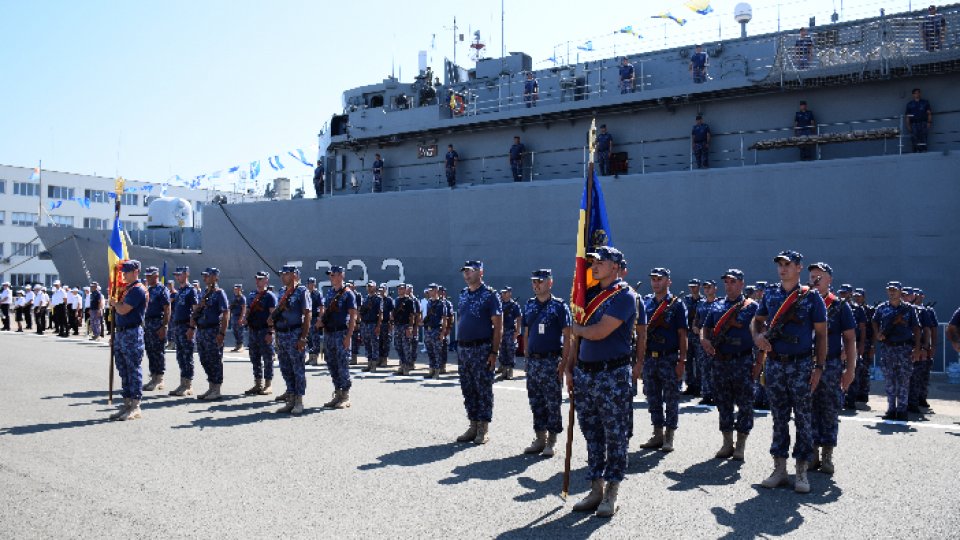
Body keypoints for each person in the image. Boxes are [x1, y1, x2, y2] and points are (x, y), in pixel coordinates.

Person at [563, 247, 638, 518]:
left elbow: (598, 332)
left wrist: (578, 329)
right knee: (592, 433)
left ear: (616, 267)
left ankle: (612, 492)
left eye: (601, 262)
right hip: (585, 373)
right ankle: (596, 488)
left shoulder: (625, 296)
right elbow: (577, 340)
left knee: (615, 436)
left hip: (612, 375)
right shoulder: (589, 295)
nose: (594, 265)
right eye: (593, 261)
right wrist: (570, 369)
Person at [752, 250, 826, 494]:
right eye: (779, 265)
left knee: (803, 418)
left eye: (787, 264)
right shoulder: (771, 294)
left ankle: (801, 471)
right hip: (775, 363)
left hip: (801, 364)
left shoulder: (811, 298)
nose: (782, 269)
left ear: (798, 267)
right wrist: (758, 336)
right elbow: (757, 320)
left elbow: (822, 335)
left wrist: (819, 367)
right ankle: (779, 469)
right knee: (778, 417)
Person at [702, 269, 760, 461]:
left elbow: (761, 333)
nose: (729, 285)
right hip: (721, 361)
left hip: (743, 361)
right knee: (723, 402)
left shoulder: (751, 307)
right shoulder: (717, 306)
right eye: (726, 282)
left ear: (742, 284)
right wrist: (704, 340)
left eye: (733, 282)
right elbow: (705, 327)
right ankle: (727, 443)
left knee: (745, 404)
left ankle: (741, 444)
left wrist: (759, 363)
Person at [807, 262, 856, 475]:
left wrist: (850, 370)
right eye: (812, 276)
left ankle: (827, 455)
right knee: (807, 409)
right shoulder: (802, 302)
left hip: (831, 365)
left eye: (820, 275)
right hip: (805, 363)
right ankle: (812, 453)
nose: (815, 279)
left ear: (830, 280)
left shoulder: (838, 306)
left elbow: (850, 339)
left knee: (828, 409)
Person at [521, 269, 572, 457]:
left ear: (550, 283)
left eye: (540, 282)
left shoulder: (559, 306)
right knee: (536, 401)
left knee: (552, 402)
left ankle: (551, 440)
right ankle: (539, 438)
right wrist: (526, 357)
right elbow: (526, 333)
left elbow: (568, 337)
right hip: (534, 362)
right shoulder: (529, 305)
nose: (536, 285)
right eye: (534, 282)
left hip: (551, 361)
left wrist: (564, 364)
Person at [638, 267, 688, 452]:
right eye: (653, 279)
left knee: (672, 398)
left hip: (669, 358)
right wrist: (640, 360)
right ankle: (657, 434)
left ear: (669, 281)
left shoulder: (676, 304)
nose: (656, 282)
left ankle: (669, 436)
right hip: (650, 358)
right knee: (652, 397)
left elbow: (683, 334)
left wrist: (682, 361)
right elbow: (641, 333)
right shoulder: (646, 302)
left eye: (660, 279)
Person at [454, 260, 503, 445]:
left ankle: (483, 428)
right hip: (464, 349)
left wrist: (494, 352)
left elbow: (498, 326)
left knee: (483, 389)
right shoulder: (463, 294)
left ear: (480, 272)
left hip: (481, 349)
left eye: (470, 271)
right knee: (468, 388)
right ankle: (472, 424)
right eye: (464, 271)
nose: (466, 274)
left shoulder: (490, 295)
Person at [872, 282, 922, 421]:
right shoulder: (882, 308)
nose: (891, 293)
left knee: (904, 380)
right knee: (889, 380)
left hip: (904, 348)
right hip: (888, 348)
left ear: (901, 292)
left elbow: (917, 328)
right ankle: (891, 409)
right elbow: (874, 321)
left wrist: (917, 348)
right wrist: (877, 333)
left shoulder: (909, 309)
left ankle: (902, 410)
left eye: (894, 290)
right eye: (889, 290)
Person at [108, 260, 148, 421]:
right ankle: (126, 403)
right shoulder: (127, 289)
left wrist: (114, 303)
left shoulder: (138, 290)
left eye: (127, 271)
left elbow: (124, 310)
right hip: (122, 333)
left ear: (136, 271)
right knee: (123, 369)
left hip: (132, 333)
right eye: (123, 271)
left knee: (133, 369)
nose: (123, 274)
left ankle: (135, 405)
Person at [271, 266, 312, 414]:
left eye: (286, 274)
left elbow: (307, 315)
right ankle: (291, 398)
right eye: (282, 274)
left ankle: (299, 401)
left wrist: (303, 337)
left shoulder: (302, 291)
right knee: (285, 367)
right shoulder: (282, 292)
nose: (283, 276)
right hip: (282, 334)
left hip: (295, 333)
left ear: (294, 275)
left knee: (297, 369)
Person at [319, 265, 357, 409]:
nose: (331, 277)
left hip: (341, 333)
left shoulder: (348, 294)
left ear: (341, 276)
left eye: (333, 275)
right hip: (329, 333)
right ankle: (338, 393)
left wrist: (349, 337)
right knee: (331, 364)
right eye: (330, 275)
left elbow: (353, 316)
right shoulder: (329, 294)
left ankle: (345, 396)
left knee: (342, 364)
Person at [189, 268, 230, 401]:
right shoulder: (205, 293)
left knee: (215, 360)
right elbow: (197, 312)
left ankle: (217, 388)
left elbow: (225, 313)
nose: (204, 278)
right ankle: (211, 386)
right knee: (204, 359)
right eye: (204, 276)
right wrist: (192, 327)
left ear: (215, 277)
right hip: (201, 331)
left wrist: (222, 333)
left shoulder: (219, 293)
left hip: (213, 331)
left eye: (207, 276)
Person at [242, 271, 277, 396]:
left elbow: (273, 315)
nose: (257, 281)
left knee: (267, 358)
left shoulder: (270, 296)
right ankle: (258, 384)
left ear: (266, 280)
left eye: (260, 279)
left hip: (264, 330)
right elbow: (248, 310)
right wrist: (245, 318)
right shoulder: (252, 294)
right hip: (253, 331)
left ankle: (268, 385)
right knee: (254, 358)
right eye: (256, 278)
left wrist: (271, 332)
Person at [169, 267, 198, 396]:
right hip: (178, 327)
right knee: (180, 356)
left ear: (186, 274)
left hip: (186, 327)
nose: (177, 277)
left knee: (187, 356)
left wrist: (192, 328)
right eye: (176, 275)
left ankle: (188, 385)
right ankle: (182, 383)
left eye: (179, 275)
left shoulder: (191, 290)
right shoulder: (180, 291)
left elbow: (195, 310)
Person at [142, 267, 171, 392]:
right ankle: (153, 376)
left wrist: (164, 326)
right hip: (148, 324)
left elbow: (167, 308)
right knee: (150, 350)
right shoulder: (148, 290)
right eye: (147, 275)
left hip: (157, 323)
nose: (147, 278)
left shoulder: (162, 290)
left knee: (158, 351)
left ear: (156, 276)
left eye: (150, 276)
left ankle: (159, 378)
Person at [910, 289, 938, 411]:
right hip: (910, 347)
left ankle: (922, 398)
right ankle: (913, 400)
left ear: (923, 296)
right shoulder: (907, 310)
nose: (916, 297)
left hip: (923, 348)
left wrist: (932, 346)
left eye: (918, 295)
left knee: (924, 375)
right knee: (913, 376)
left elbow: (933, 330)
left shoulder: (927, 311)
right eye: (914, 295)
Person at [696, 279, 719, 406]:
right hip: (703, 341)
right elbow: (696, 319)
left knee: (716, 369)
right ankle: (706, 394)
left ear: (715, 288)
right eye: (705, 287)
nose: (707, 289)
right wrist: (695, 327)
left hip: (716, 342)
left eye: (709, 287)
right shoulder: (701, 304)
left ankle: (716, 394)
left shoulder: (720, 303)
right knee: (704, 368)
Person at [422, 284, 448, 379]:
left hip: (437, 330)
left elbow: (444, 319)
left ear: (436, 291)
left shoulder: (441, 304)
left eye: (431, 290)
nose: (429, 292)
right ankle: (431, 370)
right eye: (429, 290)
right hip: (428, 330)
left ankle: (437, 371)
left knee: (437, 351)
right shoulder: (429, 302)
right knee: (430, 351)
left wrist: (442, 333)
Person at [682, 279, 702, 397]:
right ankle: (690, 385)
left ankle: (699, 386)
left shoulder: (703, 301)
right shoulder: (686, 300)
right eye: (691, 287)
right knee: (688, 361)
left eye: (695, 286)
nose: (693, 288)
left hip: (699, 335)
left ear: (698, 287)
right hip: (688, 334)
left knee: (700, 362)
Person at [359, 281, 383, 372]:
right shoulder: (365, 299)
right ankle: (369, 363)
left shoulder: (378, 299)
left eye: (371, 286)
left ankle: (374, 365)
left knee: (374, 345)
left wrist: (378, 326)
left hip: (373, 324)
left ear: (374, 287)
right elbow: (361, 311)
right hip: (365, 324)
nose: (369, 288)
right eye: (368, 286)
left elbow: (380, 314)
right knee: (367, 344)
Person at [498, 287, 522, 380]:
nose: (503, 294)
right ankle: (504, 370)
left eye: (505, 293)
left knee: (510, 350)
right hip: (501, 331)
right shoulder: (500, 304)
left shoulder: (514, 305)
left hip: (510, 331)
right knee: (502, 350)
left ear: (509, 293)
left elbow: (519, 318)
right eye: (502, 293)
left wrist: (518, 331)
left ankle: (510, 370)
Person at [392, 284, 416, 375]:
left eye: (401, 289)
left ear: (405, 290)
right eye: (398, 289)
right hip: (397, 326)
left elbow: (412, 315)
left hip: (405, 325)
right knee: (398, 346)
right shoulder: (397, 300)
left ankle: (407, 366)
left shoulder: (409, 301)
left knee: (406, 347)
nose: (399, 290)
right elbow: (394, 313)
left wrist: (410, 327)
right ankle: (402, 364)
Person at [905, 88, 933, 153]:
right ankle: (915, 151)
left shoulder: (925, 102)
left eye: (918, 92)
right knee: (914, 137)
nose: (917, 94)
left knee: (923, 136)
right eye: (916, 93)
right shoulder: (910, 104)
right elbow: (907, 116)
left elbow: (929, 113)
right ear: (913, 94)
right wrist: (908, 125)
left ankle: (924, 150)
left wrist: (929, 122)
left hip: (923, 123)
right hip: (913, 124)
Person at [305, 277, 324, 366]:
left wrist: (319, 319)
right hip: (307, 319)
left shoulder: (317, 294)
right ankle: (310, 357)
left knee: (315, 339)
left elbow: (321, 308)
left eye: (313, 283)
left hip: (314, 319)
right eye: (310, 283)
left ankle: (315, 358)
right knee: (308, 339)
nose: (312, 285)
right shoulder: (306, 293)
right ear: (307, 284)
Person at [378, 285, 394, 368]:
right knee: (379, 342)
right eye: (380, 290)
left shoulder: (389, 300)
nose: (381, 291)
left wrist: (391, 323)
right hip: (378, 324)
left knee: (386, 342)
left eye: (382, 290)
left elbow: (391, 312)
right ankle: (380, 358)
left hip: (386, 323)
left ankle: (385, 359)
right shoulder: (378, 299)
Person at [229, 284, 246, 352]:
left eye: (237, 289)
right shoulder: (234, 297)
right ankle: (237, 345)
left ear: (240, 289)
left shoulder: (242, 298)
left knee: (240, 332)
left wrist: (241, 318)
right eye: (234, 289)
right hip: (234, 316)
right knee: (235, 331)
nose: (235, 290)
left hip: (239, 316)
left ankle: (241, 345)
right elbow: (231, 306)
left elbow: (244, 308)